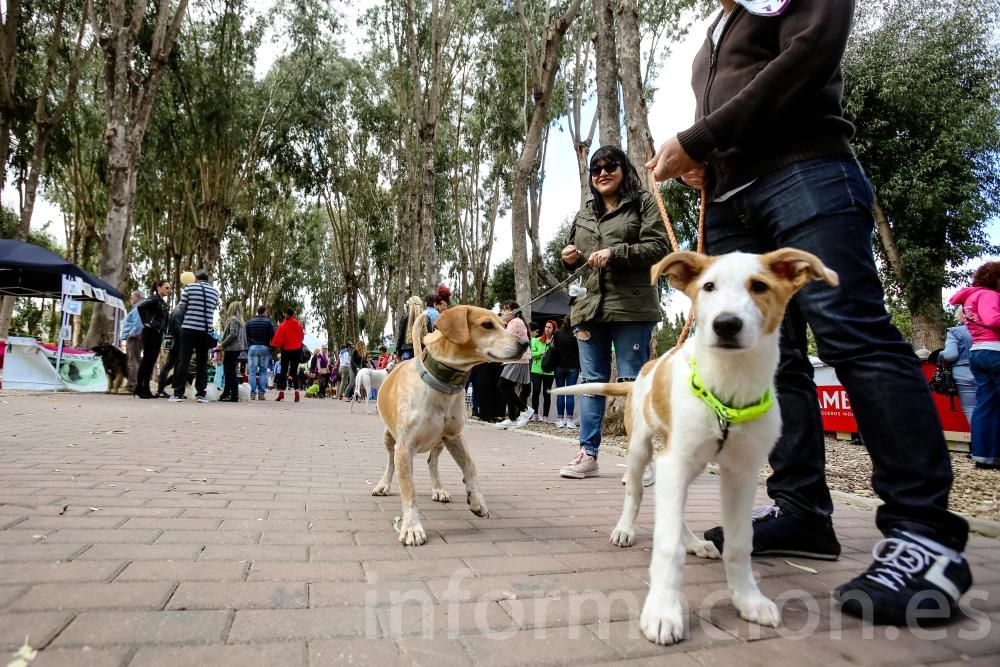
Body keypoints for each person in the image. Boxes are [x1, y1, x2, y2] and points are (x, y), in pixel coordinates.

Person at [646, 0, 971, 623]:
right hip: (733, 197)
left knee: (854, 336)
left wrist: (698, 139)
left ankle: (923, 533)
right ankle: (801, 511)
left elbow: (810, 52)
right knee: (783, 361)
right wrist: (704, 160)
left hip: (803, 170)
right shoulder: (724, 21)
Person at [558, 144, 668, 480]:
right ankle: (587, 454)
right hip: (589, 309)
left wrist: (615, 253)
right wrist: (567, 258)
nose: (603, 173)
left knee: (633, 380)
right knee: (591, 382)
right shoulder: (583, 215)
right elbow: (572, 264)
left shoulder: (643, 203)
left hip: (631, 306)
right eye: (596, 169)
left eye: (611, 166)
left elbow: (660, 247)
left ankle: (642, 458)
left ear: (624, 169)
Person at [950, 261, 1000, 470]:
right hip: (995, 351)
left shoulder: (970, 297)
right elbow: (992, 320)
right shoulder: (989, 295)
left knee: (985, 406)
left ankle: (983, 456)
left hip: (978, 352)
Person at [170, 270, 219, 403]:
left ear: (196, 278)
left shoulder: (190, 288)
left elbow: (181, 307)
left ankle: (178, 393)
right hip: (205, 331)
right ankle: (201, 394)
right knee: (202, 363)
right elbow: (213, 308)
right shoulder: (215, 292)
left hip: (188, 329)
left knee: (183, 361)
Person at [494, 301, 533, 429]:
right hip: (516, 359)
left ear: (513, 311)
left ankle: (525, 410)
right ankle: (513, 418)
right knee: (508, 388)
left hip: (517, 359)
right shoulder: (514, 322)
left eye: (506, 309)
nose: (503, 312)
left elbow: (505, 339)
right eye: (503, 309)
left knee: (503, 385)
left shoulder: (515, 322)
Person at [134, 281, 171, 399]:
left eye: (169, 288)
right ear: (158, 288)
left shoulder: (162, 303)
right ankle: (140, 388)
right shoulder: (154, 299)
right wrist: (147, 322)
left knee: (150, 362)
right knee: (147, 361)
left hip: (157, 334)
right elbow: (140, 307)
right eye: (166, 288)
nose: (168, 290)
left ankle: (145, 389)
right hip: (150, 333)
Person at [941, 307, 977, 425]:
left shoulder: (955, 332)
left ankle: (980, 440)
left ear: (961, 316)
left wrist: (941, 353)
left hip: (963, 373)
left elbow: (950, 355)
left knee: (971, 409)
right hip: (988, 370)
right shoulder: (990, 330)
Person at [551, 315, 580, 429]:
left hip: (559, 366)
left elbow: (553, 349)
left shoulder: (557, 333)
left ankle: (560, 420)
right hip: (573, 366)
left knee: (560, 393)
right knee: (570, 394)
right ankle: (570, 421)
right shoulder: (576, 334)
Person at [270, 308, 305, 402]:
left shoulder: (283, 325)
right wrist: (298, 342)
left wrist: (273, 347)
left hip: (286, 350)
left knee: (283, 372)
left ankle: (281, 393)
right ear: (293, 314)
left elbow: (278, 338)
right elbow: (302, 336)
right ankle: (297, 392)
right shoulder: (298, 324)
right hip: (297, 350)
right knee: (294, 372)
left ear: (286, 314)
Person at [245, 305, 276, 400]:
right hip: (264, 347)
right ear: (264, 312)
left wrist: (248, 346)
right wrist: (272, 348)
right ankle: (261, 394)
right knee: (263, 371)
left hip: (253, 347)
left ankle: (252, 394)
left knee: (252, 372)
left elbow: (245, 336)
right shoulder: (268, 323)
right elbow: (273, 336)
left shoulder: (249, 322)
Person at [218, 301, 247, 403]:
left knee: (229, 372)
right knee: (229, 371)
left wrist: (222, 344)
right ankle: (226, 393)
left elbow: (233, 334)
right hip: (237, 348)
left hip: (232, 348)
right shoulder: (240, 321)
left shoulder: (233, 319)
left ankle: (234, 395)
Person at [529, 320, 556, 422]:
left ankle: (545, 416)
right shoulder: (536, 340)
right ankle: (535, 414)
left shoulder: (555, 342)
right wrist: (541, 353)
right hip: (536, 370)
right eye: (546, 327)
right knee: (535, 391)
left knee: (546, 394)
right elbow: (532, 354)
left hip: (549, 371)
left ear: (553, 330)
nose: (547, 329)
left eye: (549, 327)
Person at [156, 304, 185, 397]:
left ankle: (174, 390)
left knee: (174, 366)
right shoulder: (179, 311)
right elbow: (177, 328)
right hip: (177, 343)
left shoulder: (178, 310)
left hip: (177, 342)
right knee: (169, 366)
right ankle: (160, 390)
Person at [120, 289, 145, 394]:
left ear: (137, 297)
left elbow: (138, 324)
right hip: (138, 336)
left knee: (132, 361)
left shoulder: (138, 307)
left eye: (132, 297)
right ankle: (134, 384)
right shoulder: (141, 307)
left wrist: (132, 334)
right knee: (135, 360)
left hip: (135, 337)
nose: (130, 299)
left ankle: (132, 386)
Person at [396, 296, 424, 360]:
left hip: (407, 351)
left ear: (410, 305)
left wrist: (398, 352)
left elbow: (401, 336)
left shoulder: (405, 317)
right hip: (422, 352)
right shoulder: (426, 318)